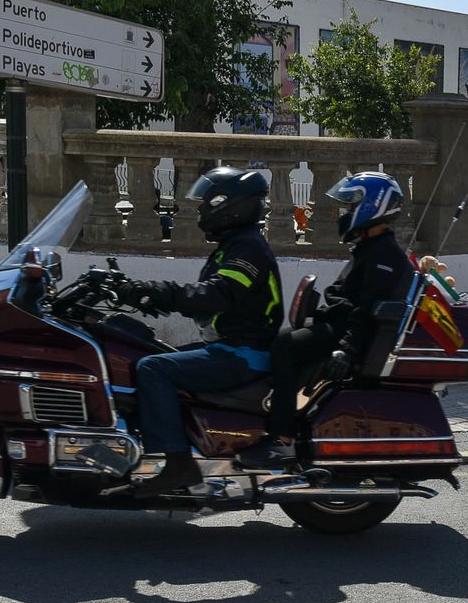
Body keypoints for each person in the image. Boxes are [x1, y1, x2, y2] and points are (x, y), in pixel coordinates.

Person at [114, 167, 284, 494]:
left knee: (153, 369)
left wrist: (163, 291)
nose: (202, 209)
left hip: (242, 354)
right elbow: (213, 300)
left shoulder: (247, 249)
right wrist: (152, 298)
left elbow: (217, 295)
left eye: (207, 202)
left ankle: (177, 464)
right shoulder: (236, 245)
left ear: (229, 205)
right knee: (142, 350)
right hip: (230, 348)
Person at [236, 172, 414, 469]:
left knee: (284, 346)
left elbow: (366, 311)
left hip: (343, 331)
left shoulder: (384, 255)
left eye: (351, 205)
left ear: (373, 206)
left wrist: (347, 350)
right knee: (271, 340)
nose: (346, 212)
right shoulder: (371, 248)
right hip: (337, 325)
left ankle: (281, 440)